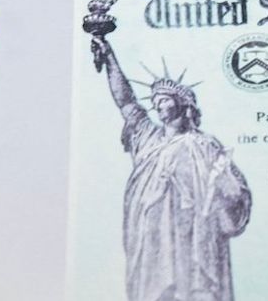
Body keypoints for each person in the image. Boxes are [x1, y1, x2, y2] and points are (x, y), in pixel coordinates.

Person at [91, 36, 252, 301]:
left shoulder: (204, 144)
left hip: (194, 239)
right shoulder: (148, 139)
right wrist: (109, 56)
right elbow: (126, 102)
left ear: (183, 104)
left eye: (164, 100)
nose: (157, 105)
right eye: (155, 101)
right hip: (153, 236)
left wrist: (224, 187)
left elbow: (232, 191)